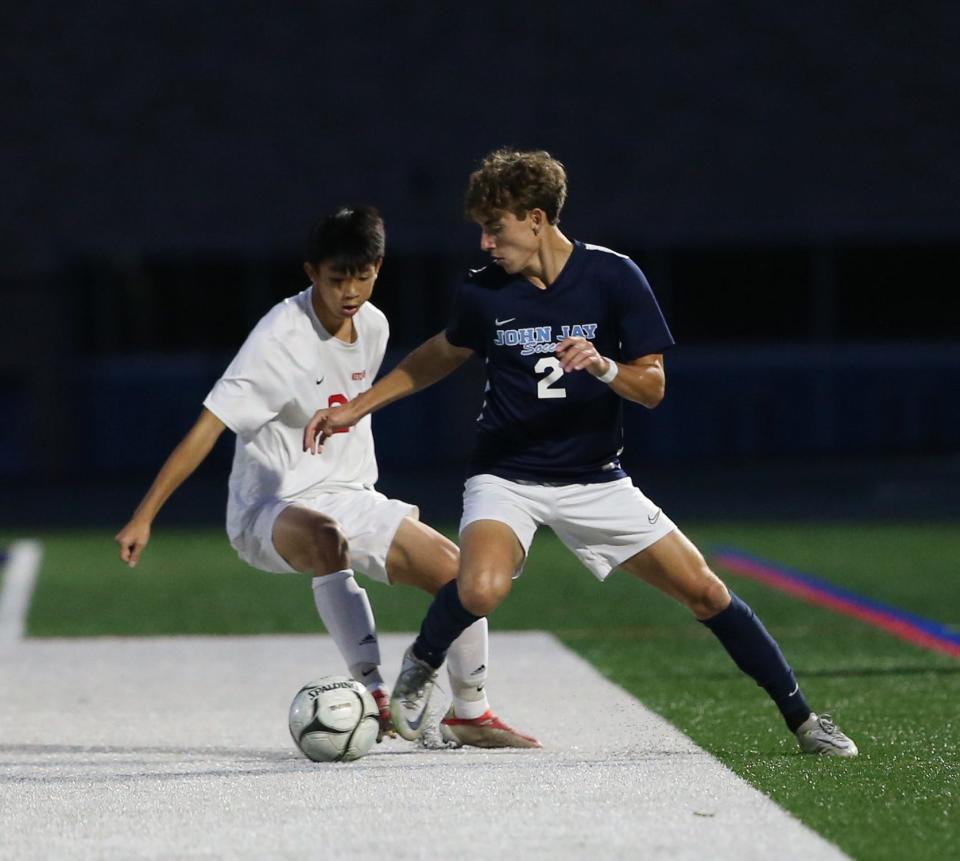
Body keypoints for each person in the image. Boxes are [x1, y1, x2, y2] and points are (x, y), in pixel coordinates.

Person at [303, 153, 859, 757]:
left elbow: (652, 388)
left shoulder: (614, 278)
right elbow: (442, 352)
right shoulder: (483, 290)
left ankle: (804, 720)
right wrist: (358, 406)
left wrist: (603, 365)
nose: (486, 242)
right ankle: (423, 660)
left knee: (704, 591)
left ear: (537, 218)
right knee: (481, 588)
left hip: (596, 479)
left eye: (497, 228)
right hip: (506, 475)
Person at [115, 206, 539, 750]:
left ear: (378, 268)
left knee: (461, 575)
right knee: (325, 539)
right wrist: (144, 516)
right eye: (337, 278)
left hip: (351, 494)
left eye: (362, 277)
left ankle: (471, 712)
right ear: (311, 271)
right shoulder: (279, 340)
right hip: (269, 506)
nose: (350, 291)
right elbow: (207, 428)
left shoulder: (375, 325)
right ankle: (373, 693)